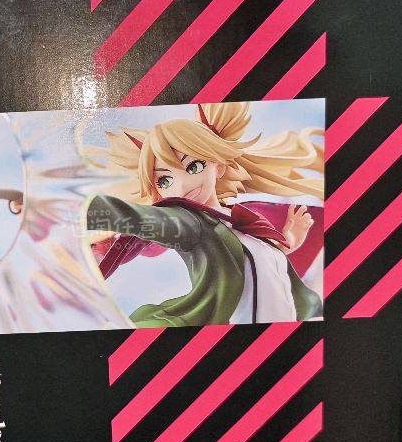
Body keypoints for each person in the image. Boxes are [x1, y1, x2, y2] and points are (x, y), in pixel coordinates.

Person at [86, 101, 323, 327]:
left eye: (194, 167)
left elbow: (259, 264)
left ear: (219, 167)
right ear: (157, 191)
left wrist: (286, 241)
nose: (182, 185)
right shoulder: (190, 223)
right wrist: (87, 209)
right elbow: (137, 218)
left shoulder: (242, 218)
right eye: (165, 180)